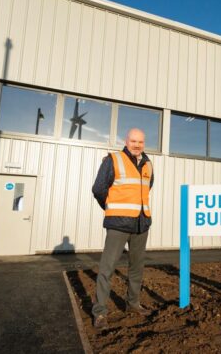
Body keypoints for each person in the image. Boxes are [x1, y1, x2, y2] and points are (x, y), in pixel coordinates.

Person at [91, 128, 154, 329]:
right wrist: (110, 207)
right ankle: (100, 313)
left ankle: (133, 304)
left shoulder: (148, 164)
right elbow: (99, 188)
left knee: (137, 268)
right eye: (133, 141)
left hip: (141, 223)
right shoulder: (113, 160)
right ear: (126, 141)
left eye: (141, 142)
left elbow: (146, 188)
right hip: (118, 224)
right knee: (107, 268)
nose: (137, 145)